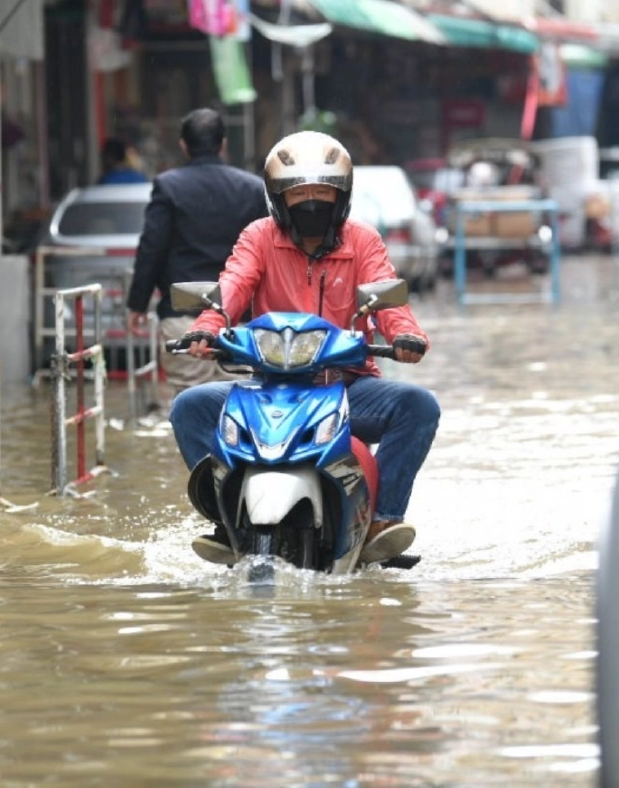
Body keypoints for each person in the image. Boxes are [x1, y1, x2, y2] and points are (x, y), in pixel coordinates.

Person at [169, 130, 441, 566]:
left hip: (349, 386)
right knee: (190, 406)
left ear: (343, 196)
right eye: (300, 193)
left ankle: (383, 521)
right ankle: (225, 516)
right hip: (267, 385)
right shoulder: (258, 237)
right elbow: (233, 285)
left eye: (323, 192)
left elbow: (388, 299)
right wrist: (208, 327)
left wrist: (405, 336)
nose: (312, 202)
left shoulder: (363, 241)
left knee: (418, 405)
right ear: (278, 198)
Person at [126, 108, 268, 394]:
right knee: (242, 402)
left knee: (189, 400)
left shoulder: (169, 187)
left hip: (184, 316)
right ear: (223, 143)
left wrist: (137, 304)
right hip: (238, 319)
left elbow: (152, 247)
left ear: (183, 145)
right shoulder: (252, 188)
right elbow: (269, 253)